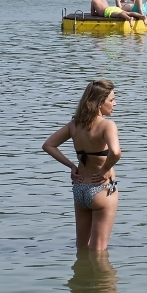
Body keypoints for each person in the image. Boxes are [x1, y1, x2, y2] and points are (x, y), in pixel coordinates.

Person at [42, 80, 121, 251]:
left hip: (80, 189)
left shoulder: (75, 125)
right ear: (100, 103)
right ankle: (100, 278)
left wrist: (71, 166)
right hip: (101, 189)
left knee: (82, 247)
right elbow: (115, 152)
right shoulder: (107, 125)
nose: (115, 103)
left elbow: (48, 145)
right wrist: (105, 170)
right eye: (111, 100)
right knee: (99, 251)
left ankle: (80, 276)